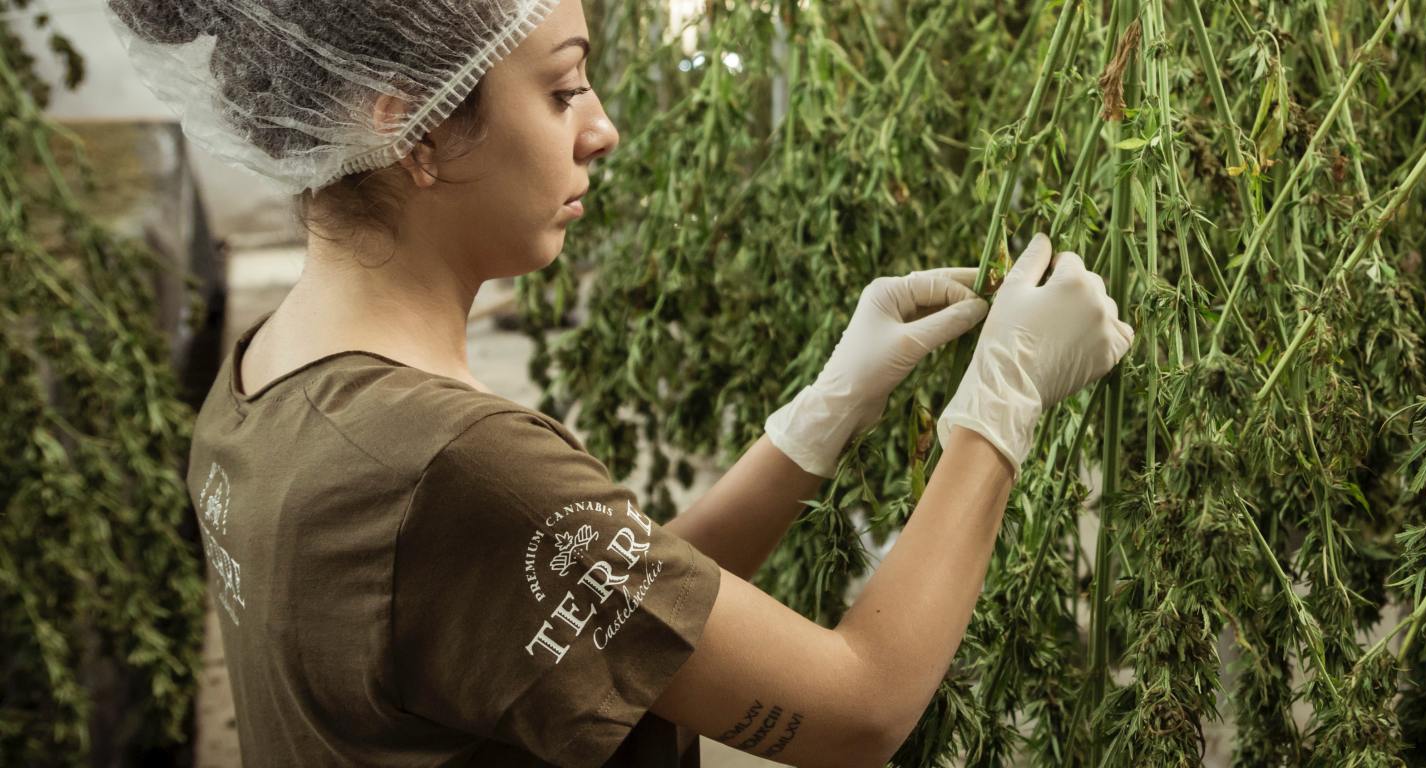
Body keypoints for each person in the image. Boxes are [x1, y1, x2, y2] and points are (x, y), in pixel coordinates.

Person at [111, 0, 1133, 766]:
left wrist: (816, 422)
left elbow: (604, 620)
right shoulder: (452, 467)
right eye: (563, 89)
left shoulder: (265, 375)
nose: (601, 130)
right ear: (414, 131)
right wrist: (1000, 407)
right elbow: (860, 710)